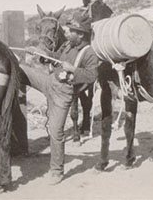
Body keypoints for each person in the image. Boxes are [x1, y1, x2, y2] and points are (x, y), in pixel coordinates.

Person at [21, 13, 98, 185]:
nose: (68, 33)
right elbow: (55, 57)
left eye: (72, 31)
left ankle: (56, 171)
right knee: (20, 69)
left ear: (81, 34)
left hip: (63, 94)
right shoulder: (69, 45)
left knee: (56, 132)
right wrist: (40, 52)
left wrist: (73, 70)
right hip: (49, 82)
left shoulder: (89, 52)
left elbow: (92, 75)